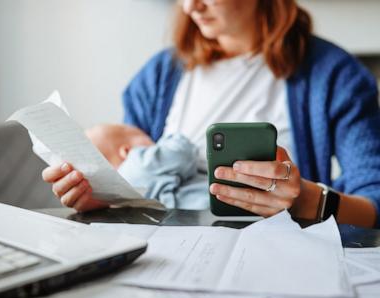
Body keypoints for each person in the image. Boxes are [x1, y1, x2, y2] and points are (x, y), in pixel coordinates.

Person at [42, 0, 380, 228]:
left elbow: (374, 205)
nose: (192, 7)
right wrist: (99, 195)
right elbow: (134, 182)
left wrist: (306, 200)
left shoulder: (334, 75)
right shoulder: (158, 76)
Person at [87, 124, 208, 209]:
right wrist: (173, 138)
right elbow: (183, 154)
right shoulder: (138, 161)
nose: (154, 142)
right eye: (145, 137)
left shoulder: (117, 197)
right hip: (209, 206)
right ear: (126, 151)